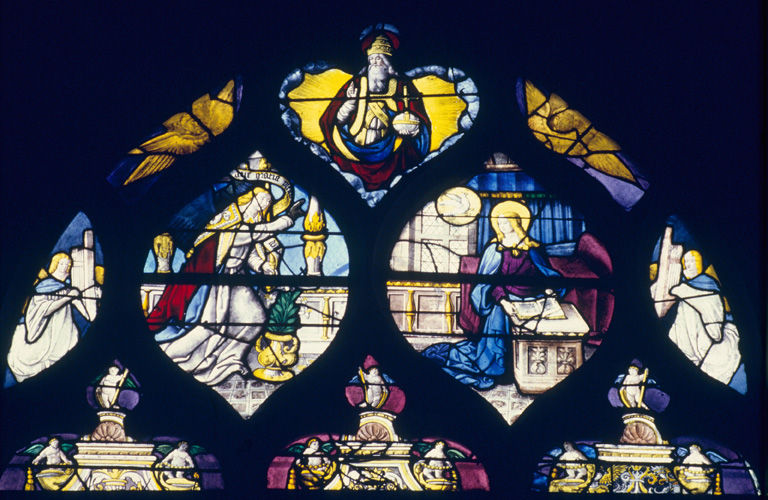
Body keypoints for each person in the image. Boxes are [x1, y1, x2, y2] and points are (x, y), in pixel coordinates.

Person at [149, 186, 304, 386]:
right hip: (218, 282)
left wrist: (262, 265)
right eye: (262, 202)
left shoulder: (247, 228)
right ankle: (175, 356)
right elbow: (256, 234)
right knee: (210, 327)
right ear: (248, 203)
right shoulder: (232, 227)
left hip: (238, 278)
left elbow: (249, 253)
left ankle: (231, 361)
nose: (264, 207)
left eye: (267, 204)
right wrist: (288, 219)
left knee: (256, 318)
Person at [423, 201, 562, 389]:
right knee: (499, 320)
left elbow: (544, 274)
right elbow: (488, 283)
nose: (501, 226)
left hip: (533, 299)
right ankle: (501, 369)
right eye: (499, 223)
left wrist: (549, 288)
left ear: (516, 222)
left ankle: (534, 369)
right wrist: (503, 301)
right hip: (503, 299)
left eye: (505, 222)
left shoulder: (533, 248)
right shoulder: (494, 249)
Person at [318, 27, 430, 191]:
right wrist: (349, 104)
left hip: (393, 150)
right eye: (373, 59)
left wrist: (414, 128)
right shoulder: (355, 85)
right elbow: (332, 121)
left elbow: (421, 123)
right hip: (353, 149)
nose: (376, 63)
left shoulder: (402, 87)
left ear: (388, 65)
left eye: (380, 60)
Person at [7, 253, 99, 384]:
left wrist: (91, 315)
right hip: (42, 333)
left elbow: (85, 312)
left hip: (61, 333)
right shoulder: (43, 286)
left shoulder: (68, 289)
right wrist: (68, 297)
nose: (65, 267)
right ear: (54, 264)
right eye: (62, 263)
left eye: (68, 265)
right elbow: (45, 310)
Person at [668, 250, 741, 385]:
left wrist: (683, 291)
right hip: (688, 342)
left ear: (699, 264)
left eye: (692, 261)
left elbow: (715, 328)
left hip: (705, 339)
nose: (687, 265)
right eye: (685, 262)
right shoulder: (681, 286)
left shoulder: (708, 284)